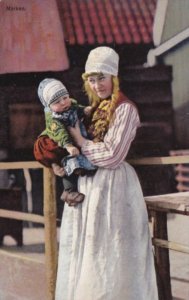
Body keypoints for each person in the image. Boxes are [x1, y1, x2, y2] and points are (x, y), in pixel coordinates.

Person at [55, 46, 158, 300]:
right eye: (92, 79)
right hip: (90, 188)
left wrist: (81, 141)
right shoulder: (93, 110)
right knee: (91, 251)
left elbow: (112, 154)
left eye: (102, 77)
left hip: (115, 188)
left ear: (114, 77)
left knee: (114, 252)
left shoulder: (125, 109)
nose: (97, 84)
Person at [34, 78, 96, 206]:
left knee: (75, 163)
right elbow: (60, 133)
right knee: (68, 165)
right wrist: (68, 145)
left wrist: (84, 110)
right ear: (49, 106)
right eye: (57, 101)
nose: (63, 102)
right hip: (61, 143)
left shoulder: (70, 104)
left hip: (76, 141)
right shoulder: (54, 119)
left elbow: (76, 108)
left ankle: (78, 176)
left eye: (65, 97)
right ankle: (69, 191)